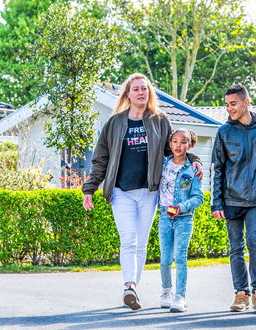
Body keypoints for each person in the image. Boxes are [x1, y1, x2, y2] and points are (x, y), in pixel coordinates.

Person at [82, 73, 202, 311]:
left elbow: (174, 149)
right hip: (121, 191)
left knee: (141, 242)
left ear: (149, 93)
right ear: (128, 94)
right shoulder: (115, 123)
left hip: (149, 191)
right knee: (128, 239)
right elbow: (101, 159)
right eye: (136, 89)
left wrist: (193, 159)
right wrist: (90, 187)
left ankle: (133, 287)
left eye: (144, 89)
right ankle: (130, 287)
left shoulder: (159, 120)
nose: (140, 93)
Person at [211, 84, 256, 314]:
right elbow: (218, 169)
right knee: (235, 247)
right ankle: (241, 294)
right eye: (227, 104)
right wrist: (217, 202)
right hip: (231, 200)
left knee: (254, 241)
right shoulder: (223, 132)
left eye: (233, 104)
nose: (229, 109)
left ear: (246, 102)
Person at [158, 128, 203, 313]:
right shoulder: (162, 164)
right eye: (175, 141)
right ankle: (166, 292)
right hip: (164, 216)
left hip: (183, 219)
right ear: (169, 144)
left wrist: (181, 207)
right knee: (165, 258)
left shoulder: (192, 168)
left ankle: (180, 297)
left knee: (180, 258)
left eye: (183, 142)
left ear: (189, 145)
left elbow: (198, 198)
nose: (178, 145)